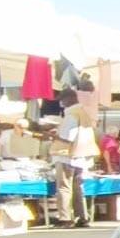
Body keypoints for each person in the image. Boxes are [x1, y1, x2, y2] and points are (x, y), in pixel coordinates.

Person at [51, 87, 98, 228]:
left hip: (68, 155)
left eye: (62, 101)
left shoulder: (72, 114)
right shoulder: (84, 113)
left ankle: (65, 218)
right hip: (82, 156)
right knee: (78, 188)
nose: (61, 104)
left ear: (68, 100)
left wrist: (52, 135)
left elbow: (67, 137)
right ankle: (82, 217)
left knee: (64, 187)